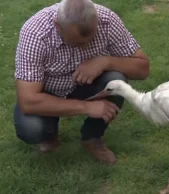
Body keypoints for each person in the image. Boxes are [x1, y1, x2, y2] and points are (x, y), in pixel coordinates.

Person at [14, 0, 149, 166]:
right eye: (77, 43)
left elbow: (143, 69)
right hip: (47, 92)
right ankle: (49, 134)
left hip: (87, 87)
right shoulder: (35, 33)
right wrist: (87, 107)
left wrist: (105, 62)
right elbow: (28, 101)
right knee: (31, 129)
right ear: (58, 25)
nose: (85, 47)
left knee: (116, 80)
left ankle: (92, 137)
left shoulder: (107, 20)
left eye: (91, 40)